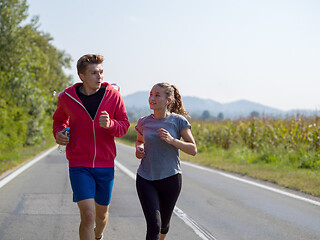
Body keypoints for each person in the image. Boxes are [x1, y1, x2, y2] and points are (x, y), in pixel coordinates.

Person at [53, 54, 130, 240]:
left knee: (101, 216)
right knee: (88, 215)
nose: (100, 76)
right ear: (82, 76)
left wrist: (111, 124)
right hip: (79, 163)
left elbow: (124, 126)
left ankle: (98, 236)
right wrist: (59, 133)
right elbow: (59, 121)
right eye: (94, 73)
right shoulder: (67, 97)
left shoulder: (113, 95)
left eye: (101, 72)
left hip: (105, 165)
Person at [135, 82, 197, 240]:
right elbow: (140, 140)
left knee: (163, 226)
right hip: (145, 178)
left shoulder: (178, 121)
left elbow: (193, 149)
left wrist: (172, 140)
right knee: (154, 226)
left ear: (168, 100)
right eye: (150, 94)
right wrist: (139, 149)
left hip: (171, 178)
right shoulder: (143, 121)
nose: (152, 98)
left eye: (157, 95)